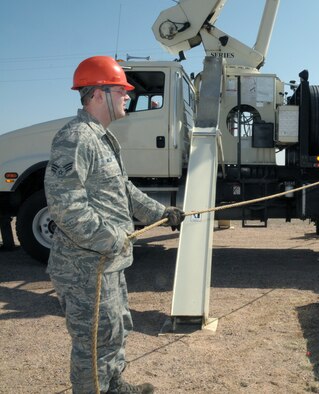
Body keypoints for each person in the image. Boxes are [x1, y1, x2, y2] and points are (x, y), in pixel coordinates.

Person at [44, 56, 184, 394]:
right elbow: (65, 206)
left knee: (116, 328)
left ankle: (114, 385)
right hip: (85, 267)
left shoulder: (102, 137)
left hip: (107, 262)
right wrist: (111, 239)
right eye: (122, 90)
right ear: (98, 94)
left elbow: (123, 189)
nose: (128, 96)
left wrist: (160, 213)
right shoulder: (75, 138)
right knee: (93, 344)